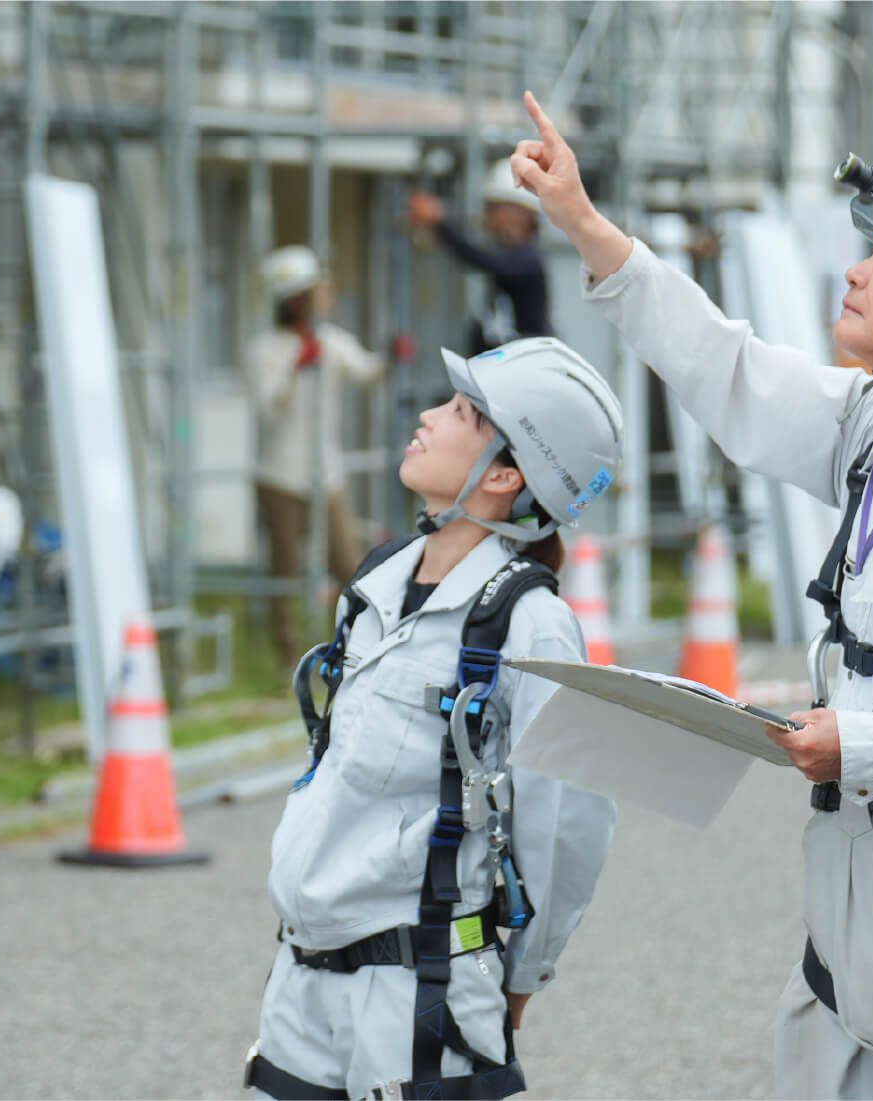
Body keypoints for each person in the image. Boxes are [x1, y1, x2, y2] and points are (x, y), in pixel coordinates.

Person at [508, 91, 873, 1097]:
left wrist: (858, 744)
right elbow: (723, 368)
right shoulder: (868, 431)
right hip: (839, 899)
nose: (855, 269)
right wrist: (584, 224)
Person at [245, 336, 623, 1100]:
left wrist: (523, 971)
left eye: (461, 413)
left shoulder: (530, 624)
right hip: (300, 976)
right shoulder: (377, 582)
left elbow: (566, 822)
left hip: (419, 993)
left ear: (507, 475)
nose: (427, 415)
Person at [250, 245, 387, 667]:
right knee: (285, 572)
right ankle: (288, 659)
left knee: (347, 563)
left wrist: (391, 357)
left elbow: (366, 372)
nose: (326, 293)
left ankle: (355, 653)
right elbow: (267, 409)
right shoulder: (265, 348)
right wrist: (295, 368)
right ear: (294, 299)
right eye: (315, 288)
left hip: (326, 473)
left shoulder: (331, 341)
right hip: (280, 475)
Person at [409, 159, 553, 354]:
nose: (490, 217)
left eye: (496, 209)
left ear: (521, 213)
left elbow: (483, 259)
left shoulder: (528, 258)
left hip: (524, 366)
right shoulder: (516, 255)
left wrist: (440, 223)